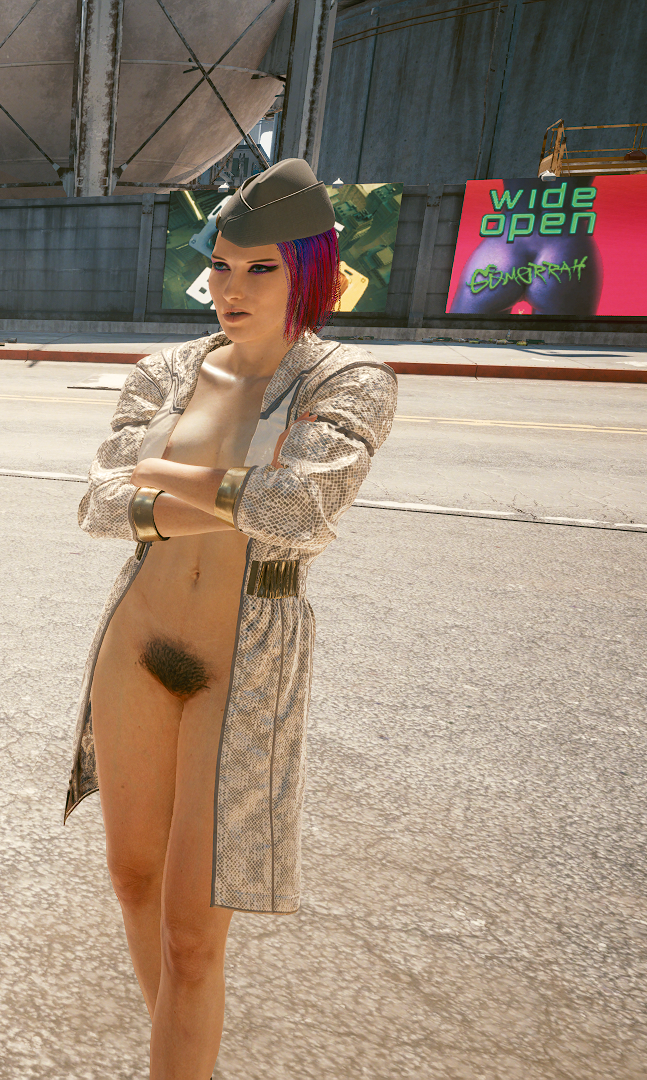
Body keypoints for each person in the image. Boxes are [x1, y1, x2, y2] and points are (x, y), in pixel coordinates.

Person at [67, 158, 399, 1079]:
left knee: (192, 934)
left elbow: (302, 514)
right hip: (136, 642)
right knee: (132, 879)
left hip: (243, 658)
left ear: (311, 270)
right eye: (220, 265)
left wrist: (164, 475)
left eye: (260, 268)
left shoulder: (351, 377)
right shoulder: (163, 371)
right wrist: (240, 491)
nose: (231, 288)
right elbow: (97, 506)